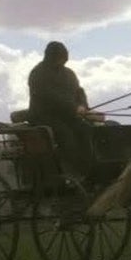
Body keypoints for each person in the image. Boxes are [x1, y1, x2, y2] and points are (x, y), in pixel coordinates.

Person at [28, 41, 94, 180]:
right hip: (44, 116)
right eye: (60, 58)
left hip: (68, 115)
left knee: (87, 129)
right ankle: (71, 172)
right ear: (51, 57)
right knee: (66, 135)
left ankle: (89, 169)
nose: (63, 61)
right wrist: (74, 108)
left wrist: (83, 105)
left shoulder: (69, 74)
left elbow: (79, 92)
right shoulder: (37, 74)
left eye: (65, 58)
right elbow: (49, 97)